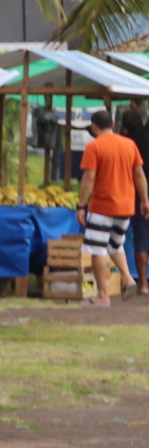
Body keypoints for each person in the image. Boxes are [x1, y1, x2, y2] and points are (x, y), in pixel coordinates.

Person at [77, 110, 147, 306]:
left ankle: (102, 295)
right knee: (115, 245)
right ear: (114, 126)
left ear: (94, 127)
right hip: (126, 206)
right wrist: (145, 200)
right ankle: (128, 278)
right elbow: (139, 175)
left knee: (96, 249)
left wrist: (81, 205)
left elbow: (89, 178)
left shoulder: (94, 146)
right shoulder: (129, 144)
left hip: (103, 206)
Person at [122, 105, 149, 287]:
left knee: (141, 239)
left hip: (138, 197)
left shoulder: (126, 144)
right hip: (142, 196)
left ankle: (144, 284)